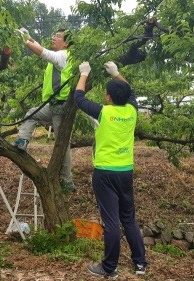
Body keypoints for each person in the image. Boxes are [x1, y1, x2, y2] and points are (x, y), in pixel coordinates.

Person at [75, 61, 147, 278]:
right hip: (125, 172)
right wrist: (117, 74)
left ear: (107, 97)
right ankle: (140, 264)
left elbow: (78, 98)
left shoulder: (103, 113)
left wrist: (84, 74)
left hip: (105, 173)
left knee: (111, 221)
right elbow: (130, 91)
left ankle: (109, 268)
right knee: (128, 219)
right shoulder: (132, 111)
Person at [13, 28, 75, 192]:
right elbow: (42, 48)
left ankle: (67, 181)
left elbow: (43, 52)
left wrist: (24, 41)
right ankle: (22, 141)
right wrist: (28, 36)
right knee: (31, 114)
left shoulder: (64, 56)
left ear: (66, 43)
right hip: (52, 105)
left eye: (58, 36)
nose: (54, 37)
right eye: (54, 35)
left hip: (61, 107)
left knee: (62, 144)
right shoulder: (58, 56)